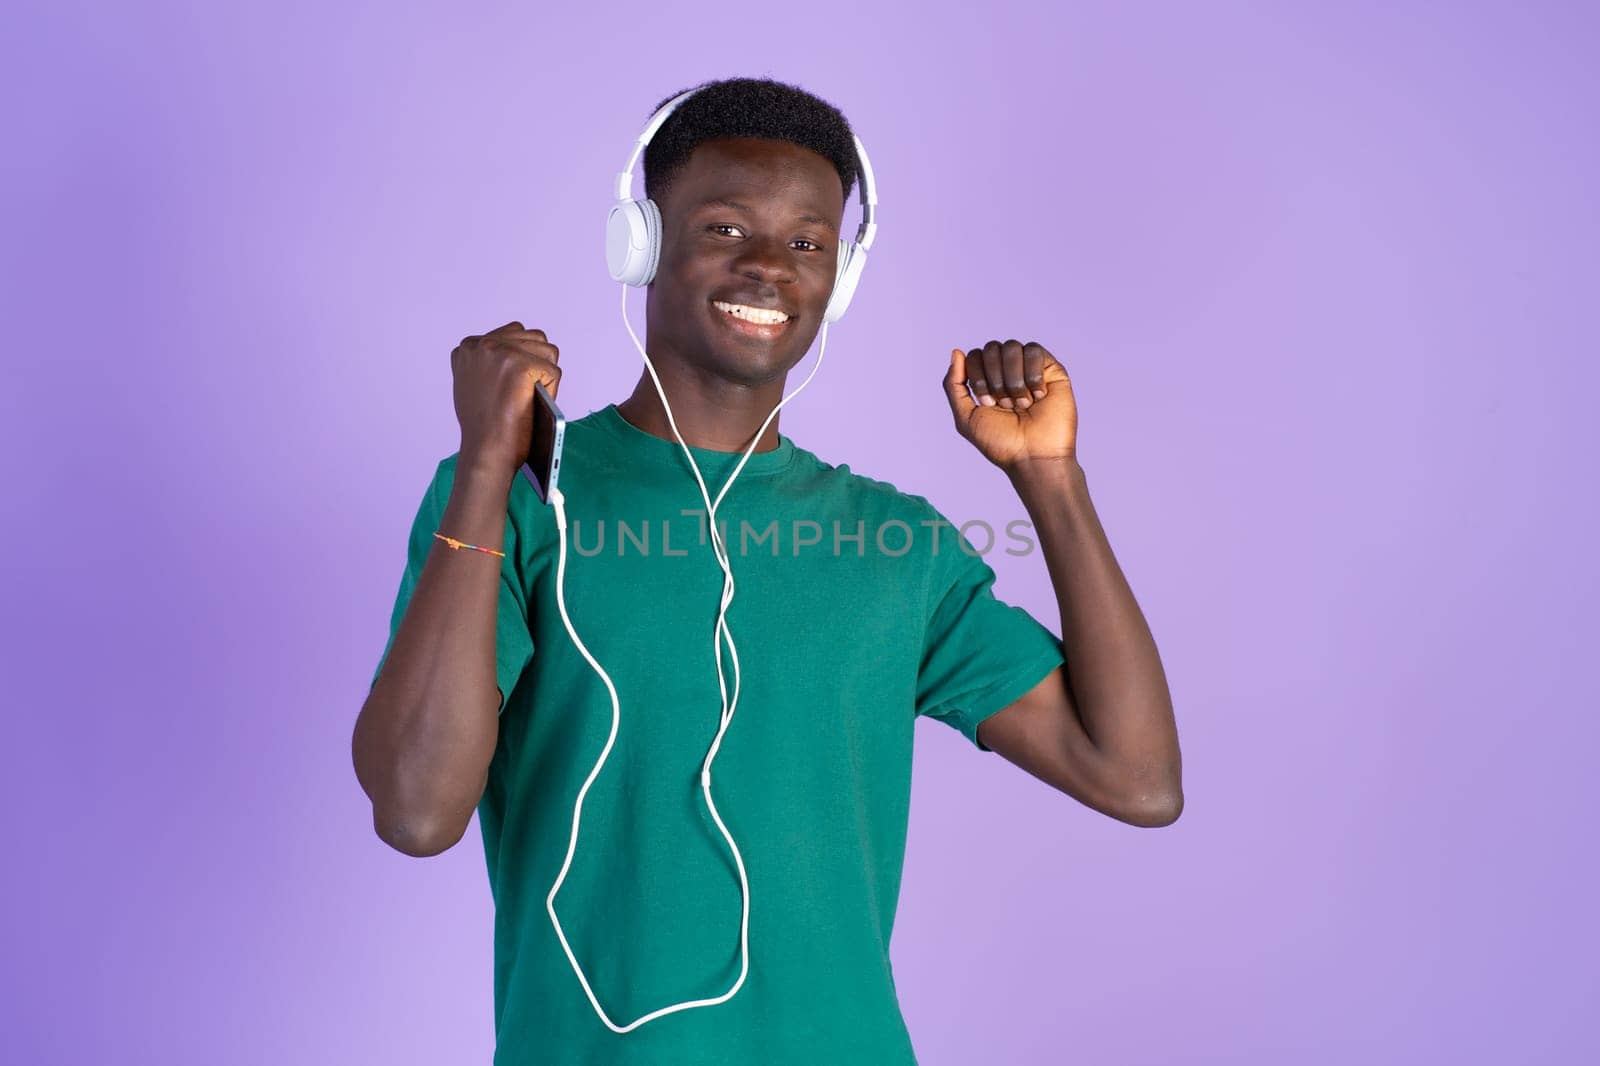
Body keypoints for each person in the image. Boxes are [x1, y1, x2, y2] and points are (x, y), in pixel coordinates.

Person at [353, 75, 1182, 1066]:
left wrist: (1048, 479)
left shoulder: (895, 546)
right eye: (723, 228)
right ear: (643, 243)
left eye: (806, 243)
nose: (769, 269)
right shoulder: (523, 493)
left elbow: (1134, 779)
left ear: (843, 275)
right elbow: (413, 808)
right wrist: (486, 462)